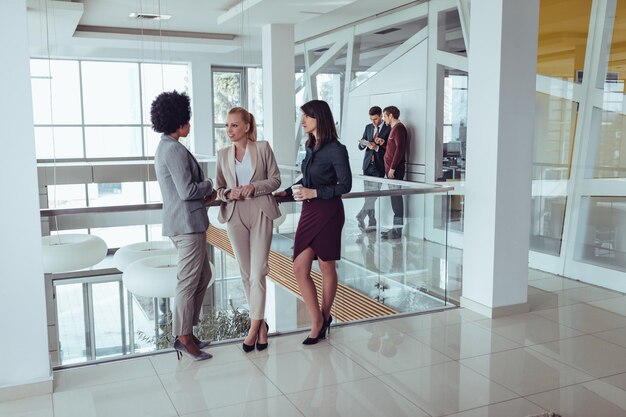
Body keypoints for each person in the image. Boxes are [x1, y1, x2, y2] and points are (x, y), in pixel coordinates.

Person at [275, 100, 352, 345]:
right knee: (299, 267)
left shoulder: (336, 149)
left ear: (320, 118)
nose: (303, 120)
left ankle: (324, 317)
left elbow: (345, 185)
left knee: (327, 267)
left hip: (328, 212)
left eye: (307, 116)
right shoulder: (310, 146)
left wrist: (315, 193)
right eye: (302, 116)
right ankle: (317, 319)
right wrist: (284, 193)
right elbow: (305, 179)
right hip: (310, 212)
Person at [152, 90, 214, 361]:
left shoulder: (167, 146)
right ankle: (183, 337)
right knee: (189, 281)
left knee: (203, 276)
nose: (189, 124)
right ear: (178, 122)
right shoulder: (173, 149)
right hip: (187, 225)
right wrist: (209, 184)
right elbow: (188, 190)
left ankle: (187, 329)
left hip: (184, 223)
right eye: (187, 120)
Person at [215, 107, 281, 352]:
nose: (229, 130)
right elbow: (218, 188)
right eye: (227, 125)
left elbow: (276, 179)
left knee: (258, 272)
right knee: (245, 273)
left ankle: (253, 327)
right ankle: (261, 326)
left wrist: (254, 186)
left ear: (246, 127)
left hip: (261, 210)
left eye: (234, 125)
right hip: (234, 214)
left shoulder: (262, 148)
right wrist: (227, 193)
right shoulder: (222, 154)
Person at [356, 106, 390, 231]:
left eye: (375, 119)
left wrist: (376, 147)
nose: (373, 122)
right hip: (367, 166)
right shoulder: (368, 127)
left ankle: (361, 215)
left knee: (374, 195)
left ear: (381, 116)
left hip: (379, 166)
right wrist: (363, 143)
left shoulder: (388, 128)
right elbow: (360, 147)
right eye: (371, 119)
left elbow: (388, 149)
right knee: (368, 196)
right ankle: (372, 223)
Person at [381, 105, 408, 240]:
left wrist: (392, 168)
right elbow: (392, 148)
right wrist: (383, 144)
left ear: (391, 115)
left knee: (396, 200)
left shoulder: (399, 129)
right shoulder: (393, 129)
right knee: (394, 200)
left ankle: (397, 232)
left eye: (385, 116)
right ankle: (395, 230)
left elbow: (400, 149)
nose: (384, 119)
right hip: (391, 169)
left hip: (395, 170)